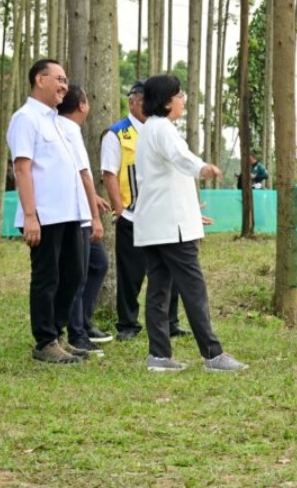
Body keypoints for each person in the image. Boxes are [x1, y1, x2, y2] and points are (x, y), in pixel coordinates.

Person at [133, 74, 247, 372]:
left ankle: (158, 355)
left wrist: (191, 211)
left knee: (159, 290)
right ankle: (212, 354)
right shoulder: (164, 130)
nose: (183, 100)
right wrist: (203, 168)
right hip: (172, 228)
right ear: (167, 101)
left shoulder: (148, 130)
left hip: (155, 223)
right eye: (179, 95)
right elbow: (181, 158)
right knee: (193, 288)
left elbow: (165, 180)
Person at [8, 59, 98, 365]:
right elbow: (23, 168)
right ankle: (45, 341)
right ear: (39, 79)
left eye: (66, 80)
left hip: (70, 213)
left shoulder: (59, 123)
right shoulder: (26, 118)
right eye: (59, 79)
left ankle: (57, 335)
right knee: (47, 277)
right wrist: (31, 215)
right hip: (45, 215)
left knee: (73, 275)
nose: (64, 86)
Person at [102, 81, 185, 341]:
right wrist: (119, 210)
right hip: (132, 214)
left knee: (168, 271)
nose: (148, 107)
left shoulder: (161, 130)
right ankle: (128, 324)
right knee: (131, 273)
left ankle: (170, 322)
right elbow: (109, 173)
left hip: (162, 213)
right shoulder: (117, 133)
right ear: (133, 102)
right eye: (143, 101)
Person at [58, 85, 113, 355]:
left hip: (80, 207)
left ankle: (83, 321)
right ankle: (76, 333)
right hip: (77, 216)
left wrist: (94, 200)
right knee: (77, 274)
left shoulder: (67, 129)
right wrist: (95, 217)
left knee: (97, 264)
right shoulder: (67, 129)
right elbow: (84, 174)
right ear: (81, 105)